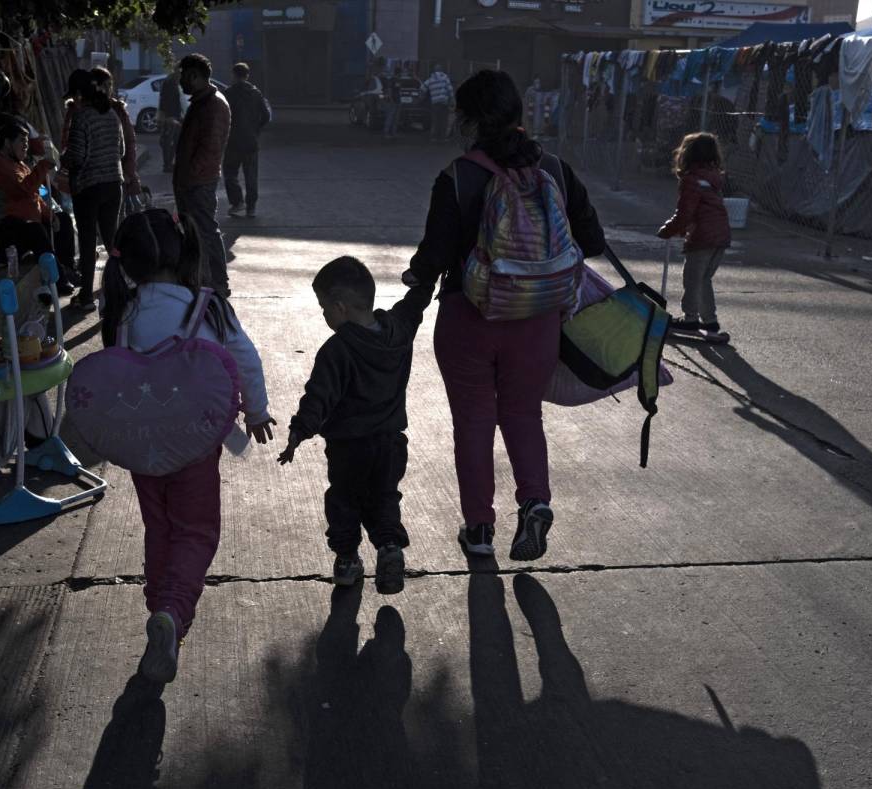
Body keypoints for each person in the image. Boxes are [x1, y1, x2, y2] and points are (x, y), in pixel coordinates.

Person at [405, 70, 605, 561]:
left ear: (469, 119)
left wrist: (414, 286)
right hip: (538, 321)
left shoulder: (457, 176)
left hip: (469, 315)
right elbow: (594, 243)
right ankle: (534, 501)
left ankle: (478, 530)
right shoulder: (555, 170)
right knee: (522, 413)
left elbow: (434, 256)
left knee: (473, 421)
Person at [100, 209, 275, 683]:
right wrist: (255, 412)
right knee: (196, 530)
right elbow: (247, 360)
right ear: (184, 255)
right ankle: (173, 614)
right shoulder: (208, 307)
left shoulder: (123, 311)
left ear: (128, 264)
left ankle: (160, 606)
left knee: (160, 528)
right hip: (196, 447)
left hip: (142, 446)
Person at [278, 257, 432, 595]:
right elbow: (414, 306)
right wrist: (426, 279)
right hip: (391, 443)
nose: (323, 315)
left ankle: (347, 560)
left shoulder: (337, 350)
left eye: (324, 308)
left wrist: (298, 431)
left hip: (348, 448)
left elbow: (319, 395)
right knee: (385, 498)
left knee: (344, 501)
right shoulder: (397, 330)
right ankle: (389, 547)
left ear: (340, 306)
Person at [62, 67, 126, 311]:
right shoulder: (111, 114)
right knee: (112, 241)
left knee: (88, 243)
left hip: (89, 187)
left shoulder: (82, 116)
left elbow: (77, 156)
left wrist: (63, 159)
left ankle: (86, 297)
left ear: (80, 93)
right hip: (113, 183)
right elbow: (120, 151)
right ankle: (124, 286)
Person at [657, 132, 731, 334]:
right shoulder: (713, 178)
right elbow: (701, 210)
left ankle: (691, 318)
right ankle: (710, 321)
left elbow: (685, 212)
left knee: (692, 279)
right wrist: (681, 228)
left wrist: (669, 229)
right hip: (721, 236)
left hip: (702, 238)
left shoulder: (691, 180)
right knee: (704, 279)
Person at [174, 53, 233, 296]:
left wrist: (188, 178)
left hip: (199, 182)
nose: (181, 81)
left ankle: (218, 283)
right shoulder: (203, 102)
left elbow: (209, 149)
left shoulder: (214, 104)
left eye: (184, 76)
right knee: (196, 233)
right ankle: (204, 279)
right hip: (192, 181)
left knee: (206, 232)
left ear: (195, 76)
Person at [0, 119, 58, 264]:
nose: (26, 145)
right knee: (35, 230)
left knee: (61, 221)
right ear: (8, 143)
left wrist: (50, 215)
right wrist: (42, 167)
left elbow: (35, 196)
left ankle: (65, 266)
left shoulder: (20, 165)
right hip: (0, 229)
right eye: (22, 141)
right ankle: (59, 279)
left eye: (27, 141)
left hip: (19, 222)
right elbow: (24, 190)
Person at [223, 62, 271, 219]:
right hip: (251, 141)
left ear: (234, 75)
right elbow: (266, 116)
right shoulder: (256, 93)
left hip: (233, 141)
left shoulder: (228, 93)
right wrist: (255, 129)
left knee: (230, 173)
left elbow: (223, 117)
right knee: (251, 176)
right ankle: (251, 208)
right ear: (247, 75)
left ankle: (237, 202)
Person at [159, 70, 183, 173]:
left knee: (174, 141)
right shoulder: (170, 84)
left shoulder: (173, 83)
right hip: (171, 117)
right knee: (168, 141)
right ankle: (167, 165)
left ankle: (169, 164)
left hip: (174, 117)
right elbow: (165, 101)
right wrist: (169, 117)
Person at [422, 63, 454, 142]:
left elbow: (422, 88)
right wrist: (452, 99)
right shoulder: (445, 78)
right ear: (441, 70)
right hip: (444, 102)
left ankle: (434, 137)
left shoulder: (430, 79)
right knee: (443, 121)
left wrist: (423, 97)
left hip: (434, 102)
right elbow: (450, 89)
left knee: (435, 120)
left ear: (434, 70)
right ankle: (442, 137)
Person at [383, 66, 404, 139]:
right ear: (398, 73)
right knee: (390, 117)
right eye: (401, 72)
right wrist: (391, 99)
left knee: (395, 118)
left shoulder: (398, 80)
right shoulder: (392, 80)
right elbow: (389, 90)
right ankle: (386, 133)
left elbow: (399, 91)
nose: (402, 74)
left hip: (398, 101)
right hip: (393, 102)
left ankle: (393, 133)